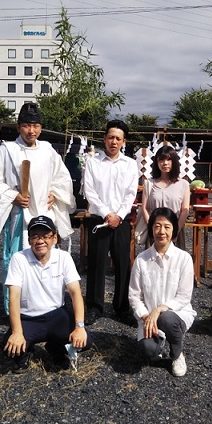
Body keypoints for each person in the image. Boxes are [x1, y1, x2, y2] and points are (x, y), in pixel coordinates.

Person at [0, 103, 75, 313]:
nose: (31, 130)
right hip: (19, 218)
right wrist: (12, 195)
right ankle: (18, 310)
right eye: (26, 125)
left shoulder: (48, 150)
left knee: (47, 261)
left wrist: (55, 193)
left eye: (35, 125)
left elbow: (61, 177)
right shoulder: (6, 151)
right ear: (18, 127)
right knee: (19, 261)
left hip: (44, 216)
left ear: (41, 128)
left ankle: (46, 306)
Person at [3, 215, 92, 373]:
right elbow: (14, 297)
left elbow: (75, 292)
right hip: (29, 318)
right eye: (35, 236)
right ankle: (24, 355)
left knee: (85, 341)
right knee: (9, 348)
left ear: (55, 238)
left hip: (56, 315)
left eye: (45, 236)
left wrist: (80, 327)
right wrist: (17, 332)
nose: (40, 241)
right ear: (29, 239)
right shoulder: (19, 259)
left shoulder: (63, 257)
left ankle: (55, 347)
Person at [83, 119, 139, 325]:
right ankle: (94, 307)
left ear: (124, 141)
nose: (113, 142)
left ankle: (122, 307)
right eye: (110, 137)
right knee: (96, 263)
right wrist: (108, 214)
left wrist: (119, 216)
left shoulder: (130, 164)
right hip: (99, 219)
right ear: (104, 139)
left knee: (123, 263)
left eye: (118, 138)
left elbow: (131, 193)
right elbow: (90, 191)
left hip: (121, 221)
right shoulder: (93, 162)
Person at [129, 207, 196, 377]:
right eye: (157, 226)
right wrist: (146, 317)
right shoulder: (141, 260)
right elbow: (134, 296)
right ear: (151, 229)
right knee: (150, 351)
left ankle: (177, 354)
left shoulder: (184, 258)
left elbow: (183, 297)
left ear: (173, 230)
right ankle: (159, 343)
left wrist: (158, 310)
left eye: (167, 227)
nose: (161, 232)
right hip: (149, 318)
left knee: (167, 318)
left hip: (175, 315)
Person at [140, 145, 190, 249]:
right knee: (152, 262)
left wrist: (176, 231)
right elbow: (145, 208)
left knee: (175, 262)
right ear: (156, 162)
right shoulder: (149, 183)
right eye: (161, 160)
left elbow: (185, 210)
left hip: (175, 231)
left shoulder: (183, 184)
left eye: (169, 159)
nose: (165, 163)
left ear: (175, 162)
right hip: (155, 231)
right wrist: (152, 229)